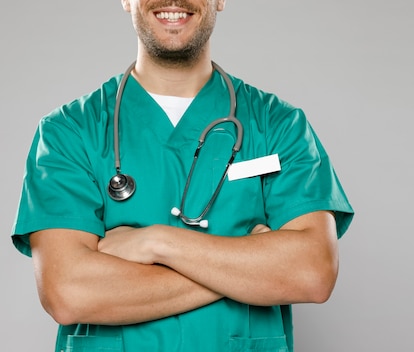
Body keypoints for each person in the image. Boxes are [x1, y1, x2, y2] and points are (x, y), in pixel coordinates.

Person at [10, 0, 354, 351]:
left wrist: (156, 242)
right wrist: (251, 266)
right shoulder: (69, 132)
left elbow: (312, 272)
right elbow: (68, 292)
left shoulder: (278, 126)